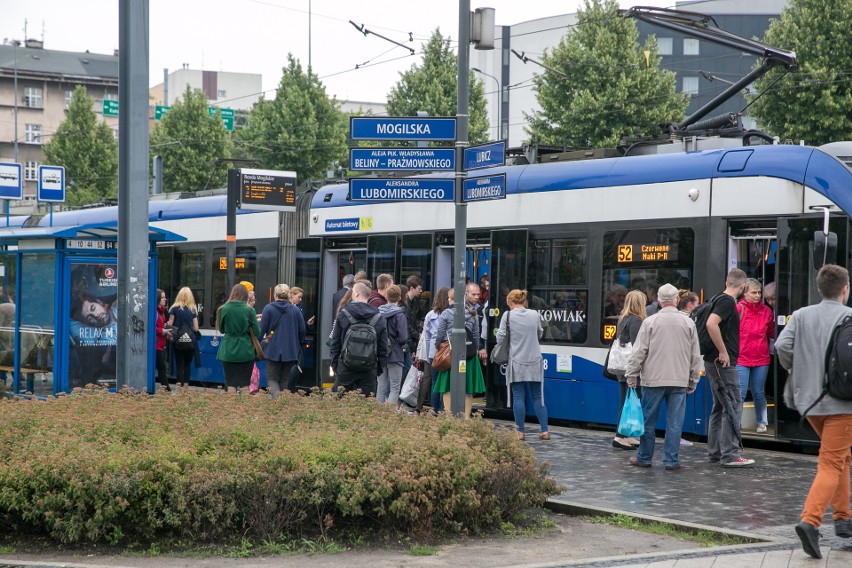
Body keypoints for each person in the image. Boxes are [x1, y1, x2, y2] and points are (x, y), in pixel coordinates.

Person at [775, 264, 852, 559]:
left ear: (819, 289)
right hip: (842, 404)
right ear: (845, 289)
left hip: (808, 403)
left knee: (841, 456)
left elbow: (782, 345)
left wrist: (798, 370)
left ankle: (844, 519)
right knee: (832, 462)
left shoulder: (802, 315)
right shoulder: (849, 316)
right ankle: (810, 521)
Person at [624, 284, 701, 470]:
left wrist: (632, 375)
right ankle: (671, 461)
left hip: (653, 380)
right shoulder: (688, 323)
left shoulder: (650, 322)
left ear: (659, 300)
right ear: (676, 300)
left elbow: (639, 352)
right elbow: (695, 355)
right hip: (679, 381)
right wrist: (693, 380)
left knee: (648, 421)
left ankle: (644, 458)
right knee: (675, 423)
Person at [705, 268, 755, 467]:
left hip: (713, 362)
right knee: (733, 405)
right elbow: (711, 324)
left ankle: (715, 452)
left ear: (727, 282)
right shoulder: (727, 302)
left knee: (719, 407)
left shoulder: (717, 297)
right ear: (743, 287)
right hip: (723, 364)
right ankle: (730, 455)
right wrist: (723, 351)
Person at [495, 289, 549, 441]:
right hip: (535, 360)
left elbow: (500, 338)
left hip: (516, 360)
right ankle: (544, 431)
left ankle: (520, 432)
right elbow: (539, 334)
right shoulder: (534, 314)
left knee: (518, 396)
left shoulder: (508, 315)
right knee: (538, 397)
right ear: (524, 301)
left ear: (510, 302)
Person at [432, 285, 486, 418]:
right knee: (468, 389)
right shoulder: (472, 313)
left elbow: (439, 334)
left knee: (448, 388)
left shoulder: (446, 313)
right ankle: (466, 418)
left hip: (451, 354)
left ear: (452, 300)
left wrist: (437, 346)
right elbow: (476, 336)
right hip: (469, 356)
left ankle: (450, 417)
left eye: (449, 298)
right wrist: (473, 350)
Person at [328, 281, 389, 396]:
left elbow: (335, 343)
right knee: (365, 408)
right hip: (369, 370)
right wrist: (377, 368)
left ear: (356, 293)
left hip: (345, 368)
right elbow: (383, 347)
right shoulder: (379, 317)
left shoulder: (344, 314)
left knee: (340, 406)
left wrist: (336, 365)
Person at [737, 278, 775, 434]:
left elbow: (772, 332)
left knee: (759, 392)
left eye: (759, 292)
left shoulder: (766, 311)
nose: (758, 295)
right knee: (740, 392)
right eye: (754, 292)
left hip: (761, 357)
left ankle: (762, 422)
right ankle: (735, 422)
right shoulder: (739, 309)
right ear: (745, 293)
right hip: (742, 357)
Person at [612, 290, 646, 450]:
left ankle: (629, 434)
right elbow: (637, 347)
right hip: (631, 369)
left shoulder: (622, 319)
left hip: (621, 367)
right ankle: (621, 436)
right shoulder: (637, 320)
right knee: (631, 402)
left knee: (625, 402)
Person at [259, 284, 305, 397]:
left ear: (275, 295)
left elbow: (261, 330)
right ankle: (282, 404)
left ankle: (276, 402)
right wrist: (297, 345)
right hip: (290, 350)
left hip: (272, 350)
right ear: (288, 295)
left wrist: (257, 343)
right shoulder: (295, 310)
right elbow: (302, 330)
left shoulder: (268, 308)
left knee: (272, 378)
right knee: (284, 379)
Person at [216, 283, 261, 394]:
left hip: (228, 350)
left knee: (231, 383)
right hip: (246, 350)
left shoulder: (223, 309)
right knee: (245, 384)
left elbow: (221, 330)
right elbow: (257, 332)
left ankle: (232, 409)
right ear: (245, 295)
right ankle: (243, 410)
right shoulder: (250, 310)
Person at [377, 284, 408, 406]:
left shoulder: (378, 311)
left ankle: (378, 413)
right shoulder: (400, 314)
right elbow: (403, 337)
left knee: (381, 385)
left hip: (380, 353)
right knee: (395, 386)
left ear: (386, 296)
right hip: (395, 354)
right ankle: (389, 416)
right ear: (400, 297)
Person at [422, 287, 450, 413]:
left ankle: (434, 409)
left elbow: (426, 337)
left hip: (434, 353)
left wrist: (429, 354)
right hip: (448, 352)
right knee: (445, 383)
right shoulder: (451, 315)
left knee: (435, 383)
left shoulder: (430, 315)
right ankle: (444, 409)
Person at [167, 287, 200, 390]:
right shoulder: (193, 309)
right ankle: (185, 387)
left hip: (178, 342)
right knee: (187, 365)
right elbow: (196, 328)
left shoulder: (174, 308)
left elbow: (170, 325)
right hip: (190, 342)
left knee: (179, 365)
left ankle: (179, 387)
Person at [154, 289, 172, 392]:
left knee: (161, 367)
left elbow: (159, 326)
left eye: (165, 297)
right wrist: (163, 330)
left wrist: (165, 327)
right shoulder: (155, 312)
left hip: (160, 344)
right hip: (156, 345)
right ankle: (167, 390)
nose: (165, 299)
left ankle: (166, 389)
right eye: (162, 297)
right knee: (162, 368)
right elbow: (152, 327)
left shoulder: (161, 312)